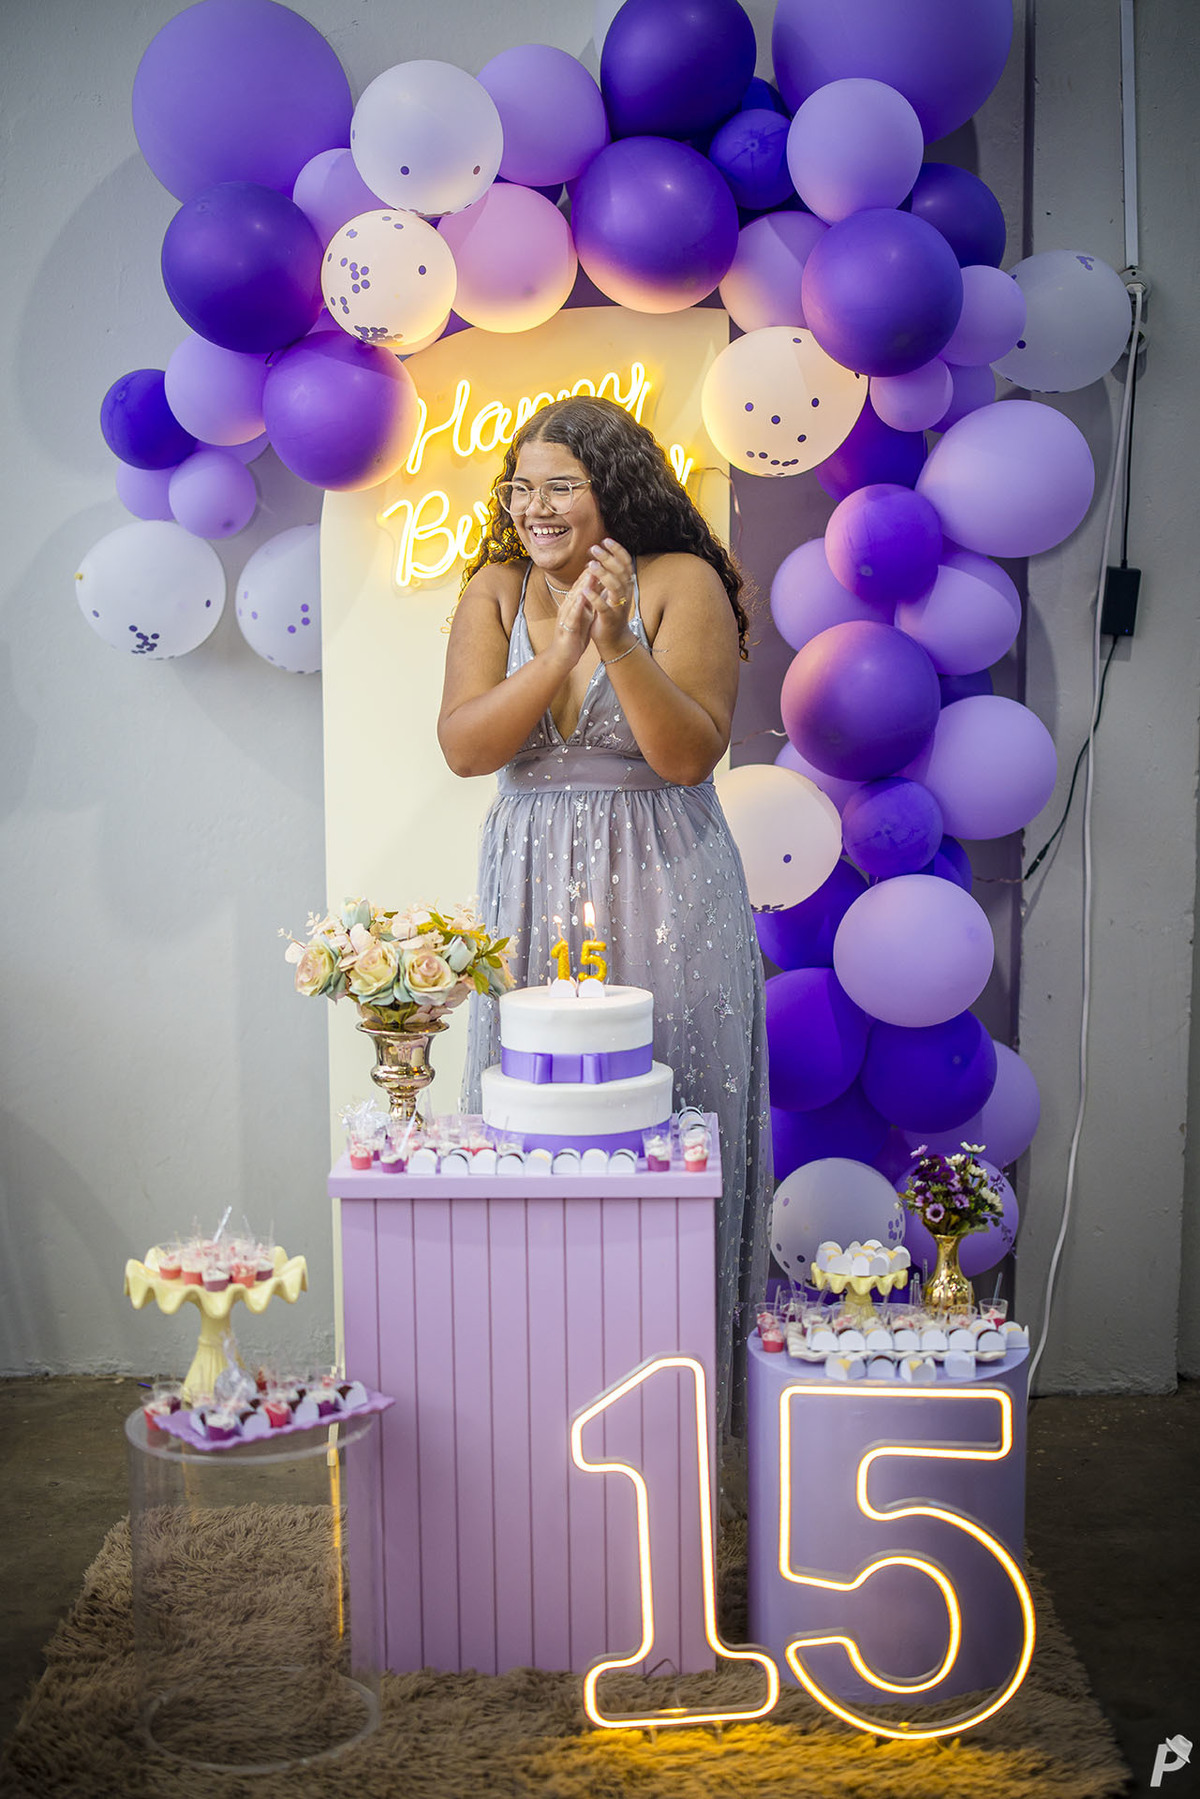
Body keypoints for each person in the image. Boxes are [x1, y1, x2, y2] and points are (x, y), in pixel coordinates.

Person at [438, 395, 770, 1437]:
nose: (534, 507)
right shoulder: (494, 590)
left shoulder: (680, 582)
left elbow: (687, 756)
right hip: (531, 878)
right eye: (521, 487)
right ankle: (536, 1416)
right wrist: (557, 651)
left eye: (560, 486)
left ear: (613, 488)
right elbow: (465, 747)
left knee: (674, 1114)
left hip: (668, 878)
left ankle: (681, 1428)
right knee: (533, 1122)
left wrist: (619, 640)